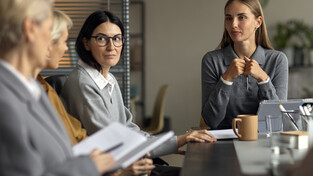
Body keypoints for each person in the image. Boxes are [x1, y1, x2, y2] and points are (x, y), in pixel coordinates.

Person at [61, 10, 216, 174]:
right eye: (101, 39)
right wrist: (177, 141)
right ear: (86, 43)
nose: (111, 46)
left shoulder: (108, 79)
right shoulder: (83, 83)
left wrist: (169, 143)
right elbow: (115, 142)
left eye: (117, 39)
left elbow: (129, 130)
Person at [0, 0, 114, 175]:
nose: (59, 44)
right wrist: (90, 167)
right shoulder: (5, 102)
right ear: (30, 28)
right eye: (50, 26)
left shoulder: (34, 89)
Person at [33, 8, 154, 176]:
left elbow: (83, 139)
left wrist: (172, 142)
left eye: (117, 39)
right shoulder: (76, 84)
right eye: (60, 41)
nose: (65, 49)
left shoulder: (42, 89)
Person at [201, 0, 288, 129]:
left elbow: (279, 119)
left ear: (258, 22)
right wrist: (226, 79)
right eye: (229, 18)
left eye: (241, 17)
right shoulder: (211, 60)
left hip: (265, 142)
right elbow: (210, 120)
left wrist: (264, 79)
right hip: (224, 144)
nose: (233, 24)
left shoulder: (277, 60)